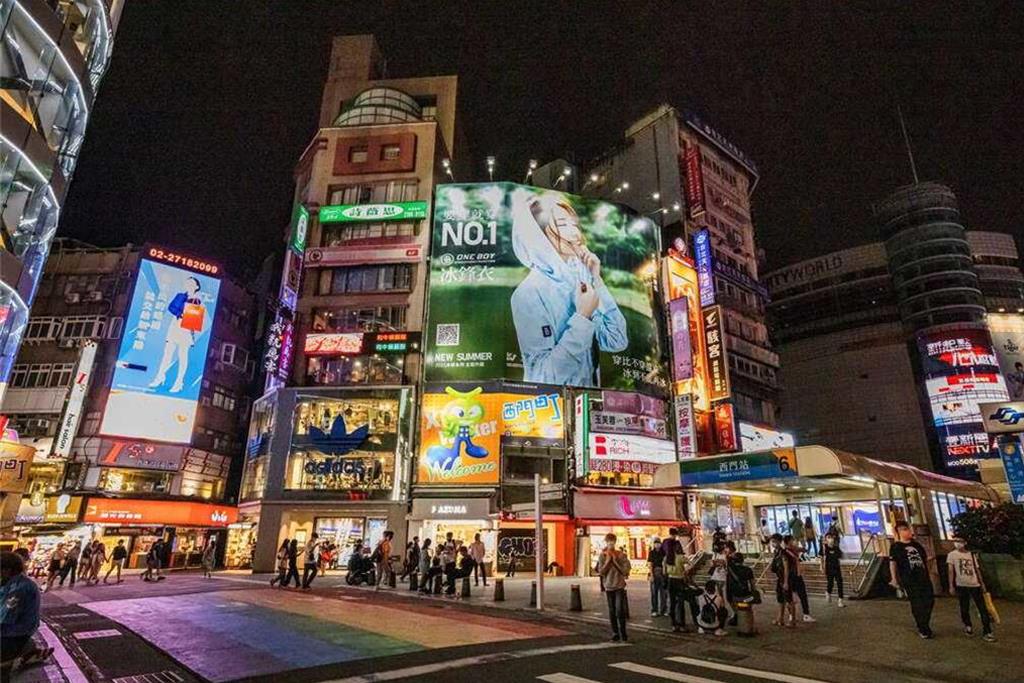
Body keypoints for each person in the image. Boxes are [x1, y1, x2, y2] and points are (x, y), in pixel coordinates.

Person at [510, 194, 628, 386]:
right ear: (537, 235)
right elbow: (542, 377)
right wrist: (582, 317)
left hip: (587, 404)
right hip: (550, 410)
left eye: (574, 224)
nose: (575, 233)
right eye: (563, 225)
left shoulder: (581, 282)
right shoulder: (528, 294)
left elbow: (616, 340)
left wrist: (596, 280)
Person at [149, 276, 205, 394]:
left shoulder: (198, 300)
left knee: (182, 355)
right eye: (187, 282)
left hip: (187, 329)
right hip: (176, 325)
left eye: (192, 283)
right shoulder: (180, 296)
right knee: (167, 353)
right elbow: (171, 307)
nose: (189, 285)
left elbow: (196, 318)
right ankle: (160, 377)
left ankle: (179, 382)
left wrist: (189, 315)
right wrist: (181, 313)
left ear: (197, 287)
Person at [1, 551, 52, 675]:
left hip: (13, 634)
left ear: (7, 570)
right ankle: (28, 652)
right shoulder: (11, 582)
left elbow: (4, 619)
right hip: (14, 630)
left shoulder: (19, 589)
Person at [889, 521, 935, 639]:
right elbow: (893, 563)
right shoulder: (896, 547)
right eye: (903, 529)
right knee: (917, 602)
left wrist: (929, 571)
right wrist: (894, 579)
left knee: (929, 600)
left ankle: (924, 623)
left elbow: (925, 560)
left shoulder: (917, 545)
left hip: (923, 577)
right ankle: (923, 627)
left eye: (907, 529)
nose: (907, 531)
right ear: (898, 532)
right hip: (909, 578)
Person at [947, 536, 995, 642]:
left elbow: (977, 570)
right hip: (961, 585)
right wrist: (951, 585)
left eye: (959, 541)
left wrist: (982, 583)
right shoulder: (952, 555)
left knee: (982, 608)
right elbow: (951, 571)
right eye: (955, 541)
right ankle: (968, 625)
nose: (957, 543)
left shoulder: (971, 555)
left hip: (975, 584)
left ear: (965, 542)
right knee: (964, 607)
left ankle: (987, 631)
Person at [596, 532, 631, 642]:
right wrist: (607, 562)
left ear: (615, 542)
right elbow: (601, 572)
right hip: (609, 586)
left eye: (612, 541)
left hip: (619, 585)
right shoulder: (602, 556)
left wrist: (615, 561)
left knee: (619, 610)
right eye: (608, 541)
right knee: (612, 610)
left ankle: (623, 632)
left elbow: (625, 571)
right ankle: (615, 632)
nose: (610, 544)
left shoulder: (621, 555)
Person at [665, 538, 695, 633]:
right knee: (680, 603)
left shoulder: (667, 558)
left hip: (670, 580)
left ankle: (674, 625)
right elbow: (691, 563)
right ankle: (682, 625)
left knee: (672, 603)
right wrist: (685, 570)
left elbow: (664, 571)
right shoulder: (680, 557)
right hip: (679, 580)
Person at [785, 535, 815, 622]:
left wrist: (802, 545)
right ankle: (792, 615)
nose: (794, 541)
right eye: (793, 540)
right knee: (791, 598)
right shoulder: (786, 552)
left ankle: (805, 614)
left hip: (797, 575)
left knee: (802, 596)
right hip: (792, 576)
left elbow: (804, 549)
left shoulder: (794, 549)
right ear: (789, 541)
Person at [770, 534, 796, 628]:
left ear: (779, 541)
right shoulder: (776, 552)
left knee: (789, 600)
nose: (773, 543)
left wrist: (785, 581)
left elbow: (786, 567)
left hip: (785, 579)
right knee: (780, 599)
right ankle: (780, 618)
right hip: (779, 578)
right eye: (772, 541)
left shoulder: (783, 553)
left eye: (774, 541)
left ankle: (792, 620)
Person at [725, 552, 757, 626]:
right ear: (743, 560)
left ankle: (736, 614)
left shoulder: (730, 569)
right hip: (745, 596)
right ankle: (748, 621)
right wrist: (753, 593)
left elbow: (727, 558)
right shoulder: (748, 570)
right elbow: (752, 584)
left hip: (733, 596)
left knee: (731, 601)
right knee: (748, 606)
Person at [821, 534, 845, 607]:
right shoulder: (824, 548)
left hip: (836, 568)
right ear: (826, 539)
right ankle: (828, 592)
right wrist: (822, 568)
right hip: (829, 568)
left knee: (839, 583)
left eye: (831, 537)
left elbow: (840, 556)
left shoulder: (836, 548)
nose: (831, 539)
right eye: (828, 538)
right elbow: (822, 558)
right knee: (830, 583)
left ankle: (840, 600)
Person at [647, 537, 668, 617]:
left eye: (658, 543)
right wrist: (651, 575)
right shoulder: (651, 553)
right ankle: (654, 610)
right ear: (654, 544)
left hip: (663, 573)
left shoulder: (663, 552)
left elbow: (665, 563)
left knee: (663, 593)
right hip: (654, 573)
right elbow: (650, 564)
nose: (657, 545)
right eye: (656, 543)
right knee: (654, 593)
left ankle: (664, 610)